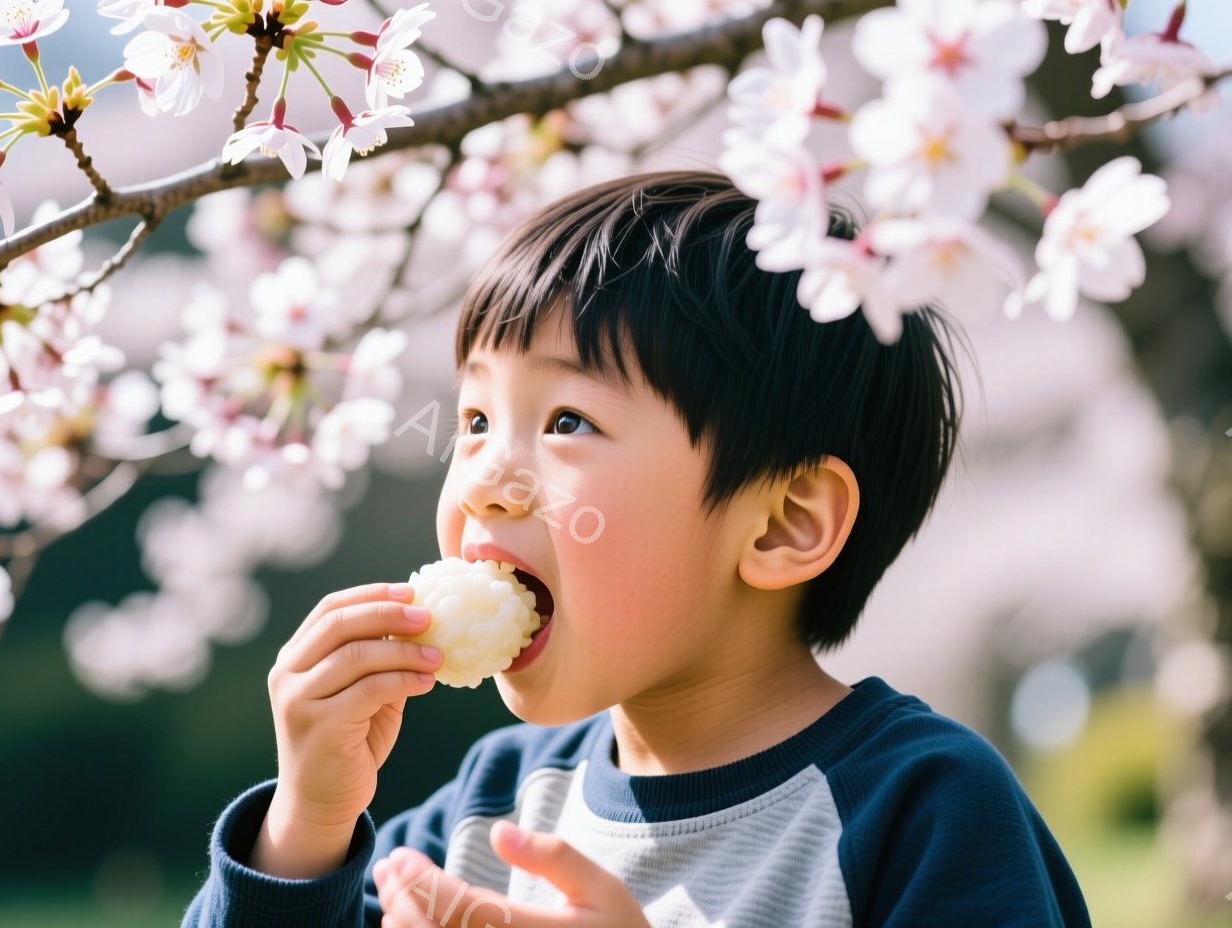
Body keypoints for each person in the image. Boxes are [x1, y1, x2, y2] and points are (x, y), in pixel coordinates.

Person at [179, 171, 1092, 927]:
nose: (489, 477)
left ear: (783, 522)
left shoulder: (921, 810)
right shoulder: (490, 806)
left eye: (567, 419)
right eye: (475, 419)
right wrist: (303, 830)